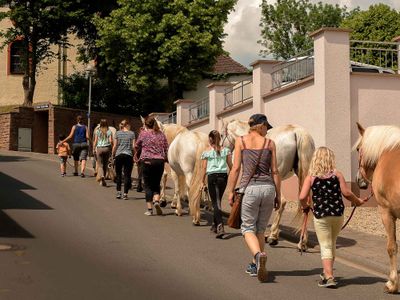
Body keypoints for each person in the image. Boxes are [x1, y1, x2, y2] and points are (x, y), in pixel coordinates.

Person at [299, 146, 367, 288]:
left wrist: (305, 206)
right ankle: (326, 272)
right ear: (330, 159)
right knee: (332, 242)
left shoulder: (311, 177)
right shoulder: (337, 174)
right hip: (337, 214)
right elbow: (347, 193)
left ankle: (329, 276)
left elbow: (302, 196)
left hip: (321, 215)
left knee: (325, 245)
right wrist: (357, 201)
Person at [226, 114, 281, 282]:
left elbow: (235, 169)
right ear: (261, 125)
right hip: (269, 189)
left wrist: (230, 191)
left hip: (249, 189)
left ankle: (258, 255)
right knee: (261, 229)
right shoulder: (269, 143)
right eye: (266, 127)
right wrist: (278, 194)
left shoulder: (240, 141)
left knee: (248, 228)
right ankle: (255, 264)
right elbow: (275, 171)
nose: (267, 130)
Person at [201, 130, 232, 238]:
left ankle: (220, 226)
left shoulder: (207, 151)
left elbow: (204, 168)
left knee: (215, 203)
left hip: (212, 177)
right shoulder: (226, 150)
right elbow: (231, 166)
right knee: (218, 201)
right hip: (223, 177)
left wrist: (202, 181)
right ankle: (215, 225)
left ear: (210, 139)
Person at [135, 116, 168, 216]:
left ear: (145, 124)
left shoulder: (143, 134)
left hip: (147, 161)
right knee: (156, 183)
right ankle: (157, 201)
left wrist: (138, 151)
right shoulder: (161, 134)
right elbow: (166, 147)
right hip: (159, 162)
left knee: (148, 185)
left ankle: (149, 210)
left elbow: (136, 145)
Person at [112, 120, 135, 200]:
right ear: (127, 125)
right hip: (128, 155)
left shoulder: (117, 133)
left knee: (118, 175)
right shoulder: (132, 133)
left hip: (119, 155)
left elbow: (115, 146)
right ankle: (125, 194)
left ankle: (118, 192)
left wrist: (113, 155)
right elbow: (133, 146)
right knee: (127, 175)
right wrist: (135, 154)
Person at [93, 119, 113, 187]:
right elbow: (110, 141)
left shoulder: (97, 131)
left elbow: (95, 141)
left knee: (100, 164)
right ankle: (103, 176)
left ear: (100, 123)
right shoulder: (109, 131)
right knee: (105, 164)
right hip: (107, 148)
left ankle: (101, 177)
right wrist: (112, 147)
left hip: (99, 148)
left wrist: (93, 148)